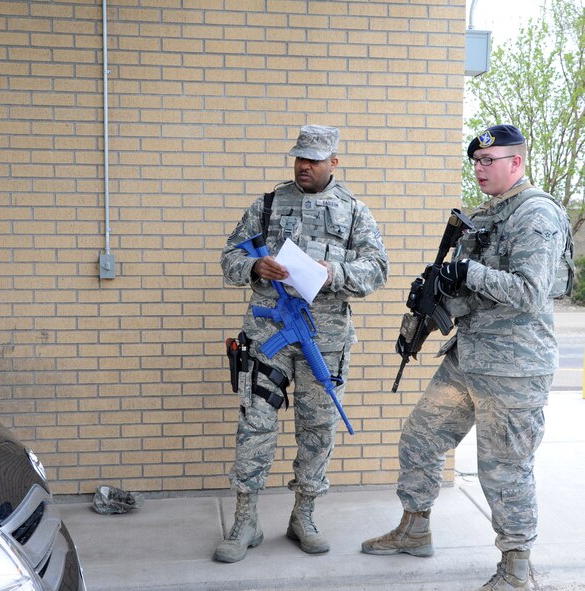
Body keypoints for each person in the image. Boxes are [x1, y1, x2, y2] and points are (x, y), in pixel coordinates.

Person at [361, 124, 572, 591]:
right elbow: (471, 293)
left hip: (514, 369)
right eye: (475, 161)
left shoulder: (536, 214)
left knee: (503, 468)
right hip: (468, 357)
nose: (478, 168)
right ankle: (415, 530)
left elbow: (531, 291)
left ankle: (517, 567)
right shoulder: (487, 215)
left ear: (516, 162)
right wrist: (434, 301)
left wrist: (467, 271)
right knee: (419, 438)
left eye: (488, 160)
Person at [215, 124, 388, 563]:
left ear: (334, 161)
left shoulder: (354, 211)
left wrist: (334, 273)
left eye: (313, 159)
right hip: (268, 334)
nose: (303, 166)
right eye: (298, 157)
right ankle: (245, 520)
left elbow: (377, 270)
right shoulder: (268, 204)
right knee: (254, 425)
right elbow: (229, 256)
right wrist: (256, 267)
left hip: (324, 341)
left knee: (317, 428)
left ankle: (303, 515)